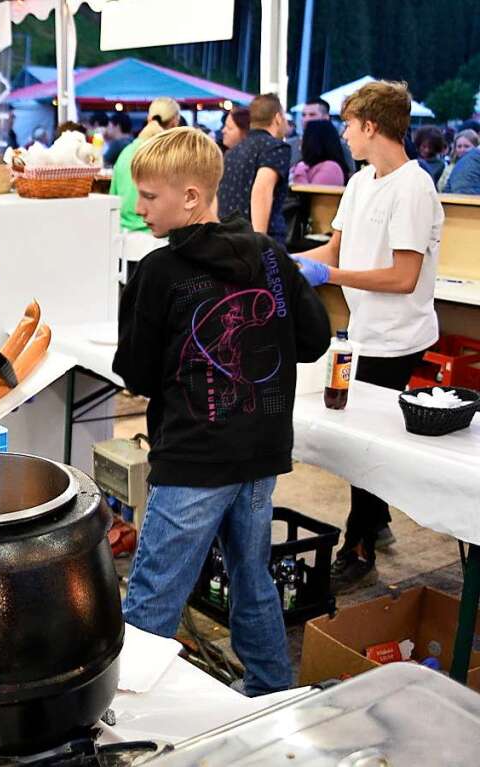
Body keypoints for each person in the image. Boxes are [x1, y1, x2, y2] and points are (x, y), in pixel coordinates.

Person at [113, 127, 331, 697]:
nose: (139, 208)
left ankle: (118, 721)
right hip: (259, 451)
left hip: (195, 457)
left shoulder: (158, 272)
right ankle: (273, 694)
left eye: (149, 196)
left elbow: (134, 374)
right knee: (251, 578)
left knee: (154, 595)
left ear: (190, 196)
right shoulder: (268, 255)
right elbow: (312, 339)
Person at [293, 80, 444, 591]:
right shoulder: (360, 183)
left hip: (399, 336)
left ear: (372, 125)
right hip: (364, 330)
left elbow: (403, 278)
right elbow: (333, 252)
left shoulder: (414, 187)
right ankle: (375, 522)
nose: (345, 133)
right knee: (361, 433)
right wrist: (279, 262)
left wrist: (329, 278)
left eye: (349, 124)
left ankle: (358, 544)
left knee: (365, 444)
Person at [109, 97, 181, 273]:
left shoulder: (125, 152)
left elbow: (114, 198)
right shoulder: (169, 155)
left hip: (123, 248)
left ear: (149, 119)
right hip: (158, 246)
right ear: (175, 123)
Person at [218, 93, 292, 244]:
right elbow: (262, 191)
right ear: (277, 117)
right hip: (261, 242)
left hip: (228, 239)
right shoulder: (276, 147)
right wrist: (261, 245)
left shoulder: (232, 152)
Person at [290, 119, 350, 186]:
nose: (301, 139)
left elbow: (312, 195)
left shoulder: (331, 169)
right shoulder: (306, 165)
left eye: (305, 135)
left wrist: (299, 174)